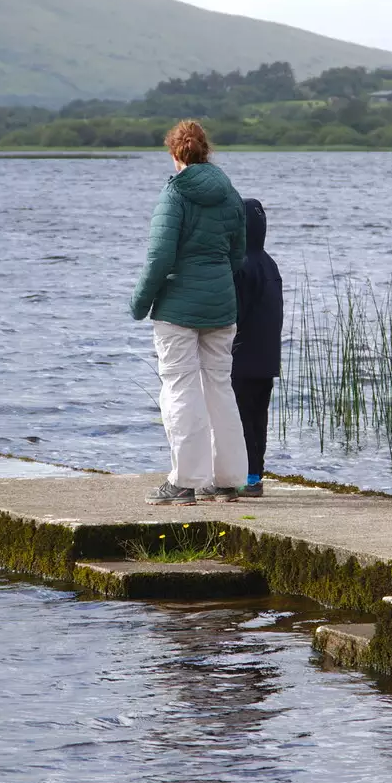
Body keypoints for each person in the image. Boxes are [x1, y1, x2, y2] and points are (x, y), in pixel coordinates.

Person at [130, 120, 248, 505]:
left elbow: (160, 256)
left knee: (180, 388)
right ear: (206, 151)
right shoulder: (231, 195)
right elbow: (236, 254)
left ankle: (183, 483)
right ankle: (228, 479)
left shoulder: (174, 194)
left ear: (174, 153)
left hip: (178, 307)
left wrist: (140, 302)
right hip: (221, 305)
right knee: (220, 386)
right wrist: (215, 282)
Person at [231, 199, 281, 498]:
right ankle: (255, 475)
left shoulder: (241, 265)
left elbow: (236, 313)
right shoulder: (268, 261)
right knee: (258, 418)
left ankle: (247, 478)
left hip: (243, 356)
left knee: (241, 419)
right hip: (267, 357)